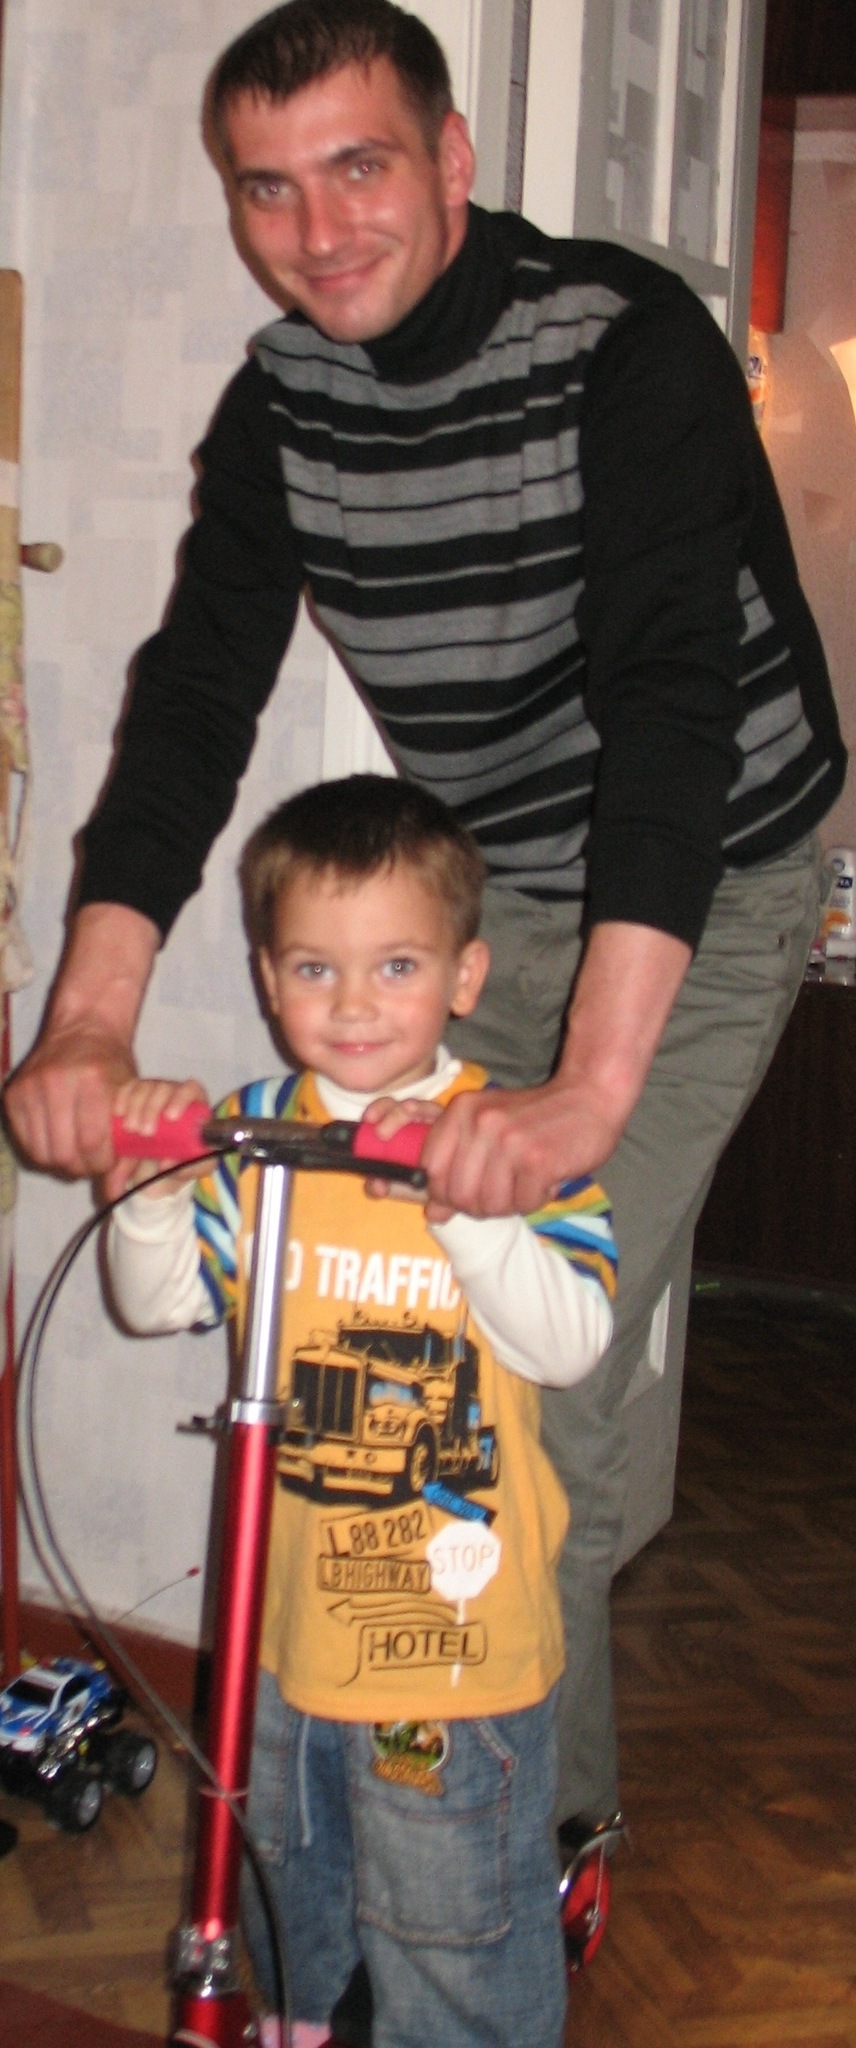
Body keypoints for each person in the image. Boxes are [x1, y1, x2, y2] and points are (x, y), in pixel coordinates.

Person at [3, 0, 846, 1834]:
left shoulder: (624, 344)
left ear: (454, 159)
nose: (317, 234)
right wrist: (88, 1017)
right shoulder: (284, 406)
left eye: (360, 168)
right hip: (498, 890)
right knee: (443, 1347)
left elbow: (671, 718)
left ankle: (530, 1861)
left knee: (533, 1375)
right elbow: (195, 703)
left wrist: (587, 1094)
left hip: (711, 871)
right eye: (268, 190)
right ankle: (423, 1821)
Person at [106, 772, 617, 2048]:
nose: (350, 1004)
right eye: (313, 968)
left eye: (395, 965)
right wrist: (152, 1197)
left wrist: (470, 1210)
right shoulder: (253, 1130)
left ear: (462, 973)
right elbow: (159, 1303)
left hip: (452, 1641)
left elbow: (569, 1343)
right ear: (268, 977)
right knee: (288, 1894)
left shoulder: (514, 1136)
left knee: (452, 1929)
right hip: (281, 1627)